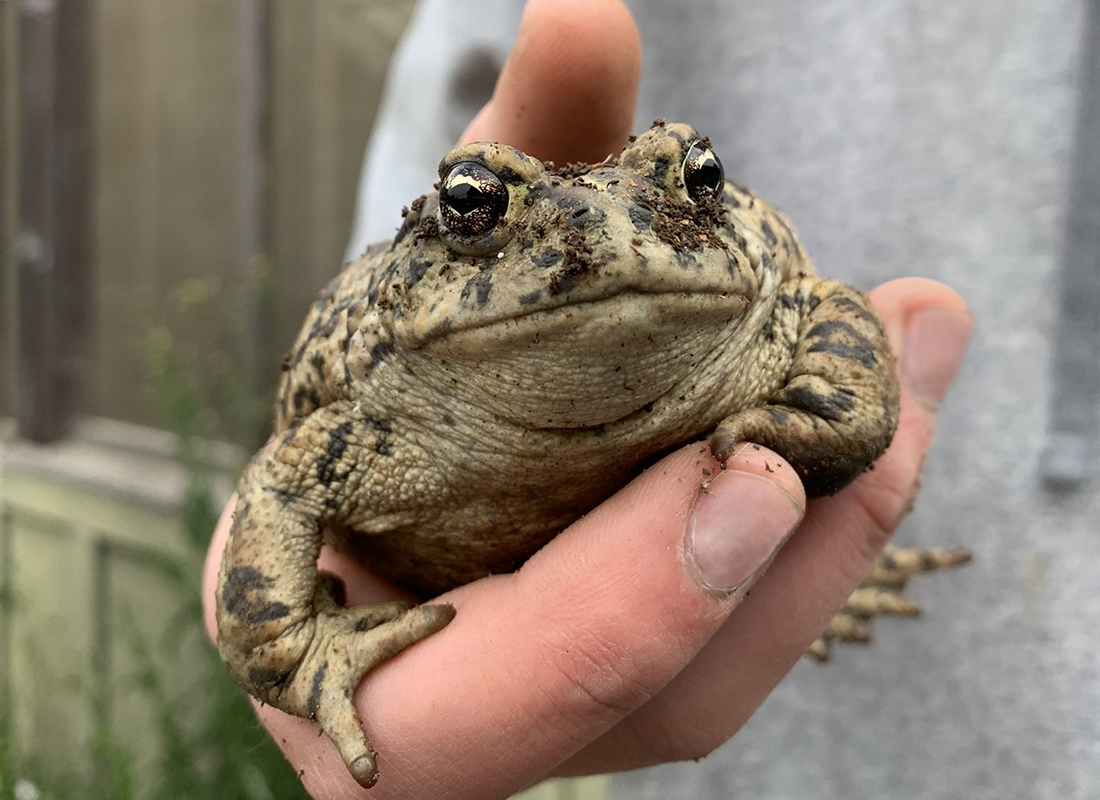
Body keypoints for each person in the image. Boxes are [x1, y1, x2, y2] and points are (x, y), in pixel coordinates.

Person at [203, 0, 1091, 797]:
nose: (612, 246)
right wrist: (294, 651)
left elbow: (827, 309)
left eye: (695, 183)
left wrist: (842, 414)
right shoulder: (383, 388)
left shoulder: (755, 307)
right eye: (480, 203)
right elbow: (281, 481)